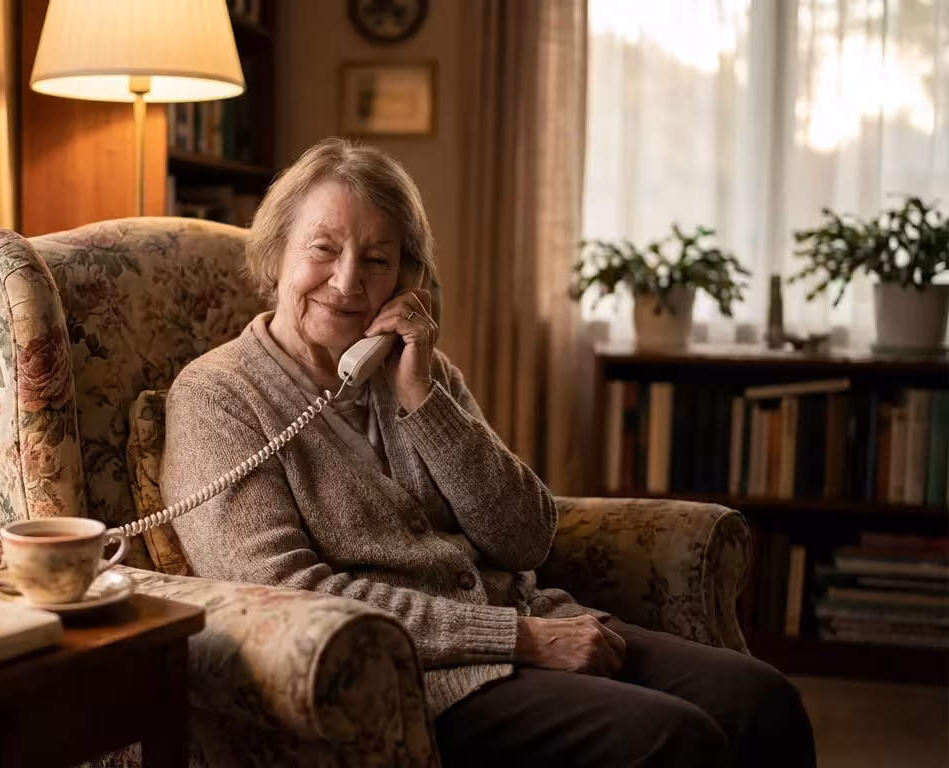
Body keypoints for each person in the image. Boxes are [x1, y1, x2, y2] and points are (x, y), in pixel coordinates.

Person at [160, 137, 815, 767]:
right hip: (419, 681)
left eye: (379, 259)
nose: (348, 280)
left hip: (530, 620)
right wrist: (518, 641)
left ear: (406, 279)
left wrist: (424, 399)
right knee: (674, 741)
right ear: (277, 254)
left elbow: (525, 538)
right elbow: (285, 596)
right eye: (323, 249)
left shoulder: (419, 371)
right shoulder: (217, 397)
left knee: (763, 701)